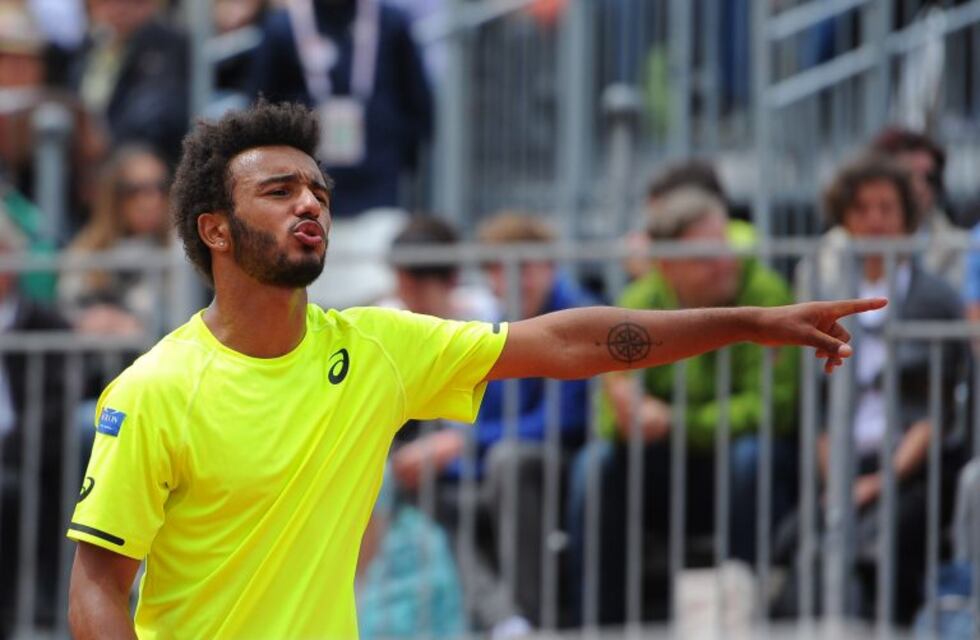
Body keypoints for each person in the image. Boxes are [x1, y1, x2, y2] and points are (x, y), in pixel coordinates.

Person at [65, 101, 882, 639]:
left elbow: (569, 342)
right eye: (279, 190)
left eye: (318, 188)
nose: (311, 203)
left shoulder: (380, 345)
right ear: (214, 229)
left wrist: (747, 323)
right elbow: (99, 586)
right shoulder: (155, 390)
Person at [567, 187, 799, 624]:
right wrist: (627, 417)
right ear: (666, 266)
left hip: (740, 469)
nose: (725, 263)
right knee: (594, 466)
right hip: (663, 471)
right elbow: (608, 411)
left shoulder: (766, 293)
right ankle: (598, 625)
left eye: (725, 248)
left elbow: (773, 409)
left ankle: (742, 618)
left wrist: (675, 421)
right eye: (705, 256)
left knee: (753, 457)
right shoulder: (637, 305)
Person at [781, 155, 967, 624]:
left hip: (912, 467)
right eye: (862, 208)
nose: (875, 220)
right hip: (843, 464)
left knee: (890, 541)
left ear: (908, 217)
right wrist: (840, 481)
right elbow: (819, 410)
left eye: (887, 208)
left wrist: (879, 481)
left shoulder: (936, 300)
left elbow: (936, 414)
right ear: (845, 219)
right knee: (804, 548)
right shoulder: (822, 298)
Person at [58, 144, 172, 337]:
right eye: (137, 190)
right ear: (114, 197)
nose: (152, 200)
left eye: (160, 188)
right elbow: (67, 311)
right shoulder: (87, 250)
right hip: (97, 362)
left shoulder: (181, 250)